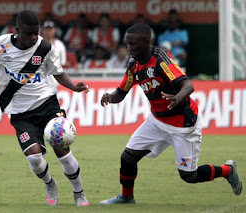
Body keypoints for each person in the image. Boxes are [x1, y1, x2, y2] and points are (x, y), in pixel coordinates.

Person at [0, 10, 90, 207]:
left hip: (47, 104)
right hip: (20, 113)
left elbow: (58, 72)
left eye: (36, 32)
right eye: (29, 33)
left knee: (62, 150)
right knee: (35, 159)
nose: (34, 37)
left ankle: (79, 193)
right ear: (16, 30)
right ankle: (50, 184)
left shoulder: (45, 47)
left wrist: (73, 87)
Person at [99, 24, 242, 205]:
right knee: (127, 157)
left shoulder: (161, 60)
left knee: (189, 175)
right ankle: (127, 197)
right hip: (157, 121)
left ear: (146, 42)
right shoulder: (133, 66)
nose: (128, 48)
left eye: (132, 44)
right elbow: (121, 93)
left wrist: (177, 98)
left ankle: (227, 170)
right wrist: (109, 97)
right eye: (127, 44)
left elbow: (188, 85)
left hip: (182, 124)